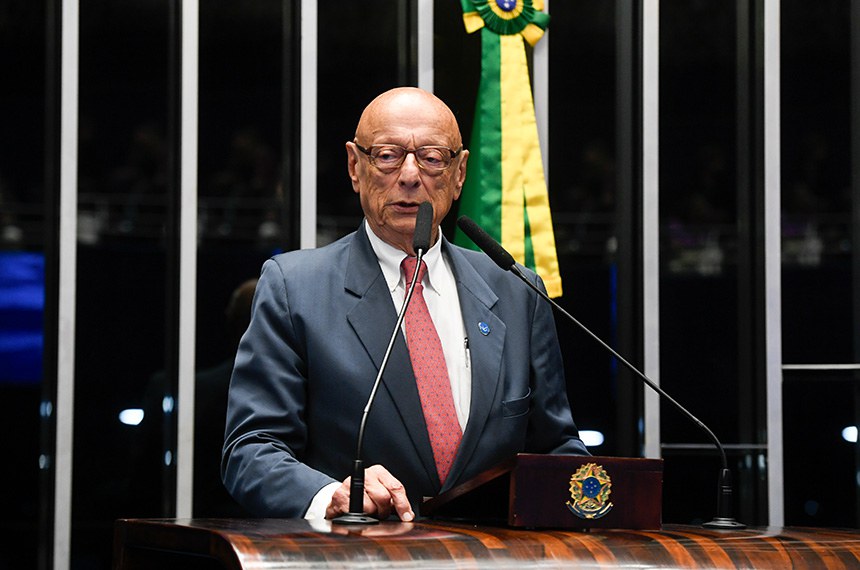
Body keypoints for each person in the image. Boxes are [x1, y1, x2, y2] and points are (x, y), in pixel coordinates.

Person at [222, 87, 588, 522]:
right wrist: (332, 496)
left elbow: (556, 448)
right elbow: (252, 450)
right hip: (358, 551)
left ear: (459, 173)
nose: (411, 176)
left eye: (432, 158)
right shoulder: (296, 288)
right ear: (355, 166)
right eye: (387, 155)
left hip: (491, 552)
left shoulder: (516, 290)